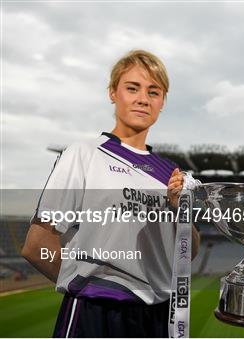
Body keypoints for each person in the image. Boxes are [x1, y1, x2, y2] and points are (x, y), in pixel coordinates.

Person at [21, 50, 200, 337]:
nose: (143, 98)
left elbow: (186, 253)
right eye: (132, 88)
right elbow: (37, 244)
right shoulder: (85, 153)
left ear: (162, 101)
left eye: (153, 92)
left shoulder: (170, 172)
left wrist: (182, 212)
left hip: (156, 318)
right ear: (113, 93)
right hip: (95, 313)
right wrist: (84, 287)